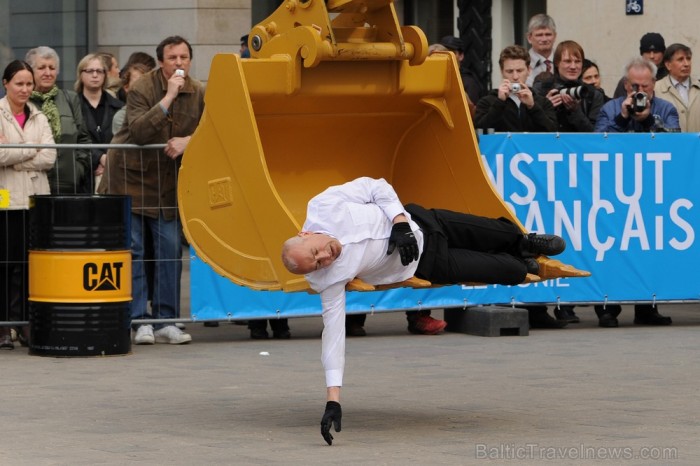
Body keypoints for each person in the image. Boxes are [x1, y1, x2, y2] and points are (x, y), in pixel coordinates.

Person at [280, 177, 566, 445]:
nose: (325, 258)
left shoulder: (323, 205)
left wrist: (400, 222)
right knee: (512, 270)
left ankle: (525, 243)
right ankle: (519, 261)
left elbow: (375, 186)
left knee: (495, 231)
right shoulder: (326, 279)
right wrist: (333, 399)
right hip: (427, 260)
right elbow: (333, 333)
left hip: (423, 221)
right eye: (317, 264)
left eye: (316, 252)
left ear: (305, 233)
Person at [98, 36, 205, 345]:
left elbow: (213, 128)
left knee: (169, 251)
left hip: (167, 184)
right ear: (161, 62)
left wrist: (190, 141)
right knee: (135, 250)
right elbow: (142, 132)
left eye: (184, 57)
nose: (179, 63)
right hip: (130, 177)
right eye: (172, 57)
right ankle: (139, 320)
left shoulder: (199, 91)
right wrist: (169, 96)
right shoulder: (143, 87)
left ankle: (165, 319)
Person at [595, 56, 679, 327]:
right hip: (612, 190)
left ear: (654, 84)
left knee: (649, 249)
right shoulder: (610, 108)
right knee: (610, 248)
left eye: (644, 86)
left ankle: (647, 308)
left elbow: (675, 143)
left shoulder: (666, 109)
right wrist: (623, 117)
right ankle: (608, 307)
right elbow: (597, 143)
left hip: (652, 191)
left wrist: (647, 121)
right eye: (634, 87)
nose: (639, 92)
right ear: (625, 84)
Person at [0, 60, 57, 349]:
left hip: (33, 200)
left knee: (26, 265)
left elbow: (49, 157)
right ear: (6, 84)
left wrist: (14, 153)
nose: (24, 89)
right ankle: (2, 325)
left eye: (28, 84)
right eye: (18, 83)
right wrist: (30, 150)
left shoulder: (39, 116)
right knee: (3, 264)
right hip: (4, 201)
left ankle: (22, 323)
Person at [25, 46, 92, 194]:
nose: (48, 73)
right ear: (30, 71)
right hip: (32, 184)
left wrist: (78, 169)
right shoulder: (23, 101)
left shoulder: (70, 98)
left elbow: (83, 139)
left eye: (52, 68)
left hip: (67, 184)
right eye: (41, 67)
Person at [474, 44, 557, 132]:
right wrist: (499, 103)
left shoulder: (543, 102)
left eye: (519, 71)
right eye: (509, 71)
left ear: (529, 70)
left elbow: (552, 133)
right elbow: (480, 132)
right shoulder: (487, 102)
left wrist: (532, 107)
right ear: (502, 72)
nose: (515, 76)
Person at [75, 53, 123, 193]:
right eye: (89, 71)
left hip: (114, 175)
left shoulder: (118, 106)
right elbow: (75, 138)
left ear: (105, 75)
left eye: (99, 71)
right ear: (81, 75)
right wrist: (99, 158)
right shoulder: (72, 106)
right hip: (83, 175)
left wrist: (108, 161)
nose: (95, 75)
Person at [533, 40, 605, 133]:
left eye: (578, 61)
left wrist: (575, 111)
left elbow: (594, 135)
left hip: (579, 146)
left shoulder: (593, 94)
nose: (573, 66)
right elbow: (531, 128)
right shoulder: (541, 88)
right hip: (549, 146)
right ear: (556, 63)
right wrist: (546, 107)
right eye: (567, 61)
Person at [654, 43, 700, 132]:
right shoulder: (656, 89)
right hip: (671, 144)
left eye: (688, 59)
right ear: (668, 65)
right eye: (680, 60)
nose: (686, 64)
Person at [613, 32, 668, 98]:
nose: (652, 56)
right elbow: (618, 103)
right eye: (647, 52)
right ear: (642, 54)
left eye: (656, 52)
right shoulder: (629, 80)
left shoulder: (670, 76)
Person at [438, 35, 483, 106]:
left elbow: (471, 112)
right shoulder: (435, 77)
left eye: (452, 52)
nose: (447, 56)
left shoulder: (469, 82)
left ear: (461, 56)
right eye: (443, 52)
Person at [112, 62, 154, 133]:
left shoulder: (159, 110)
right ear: (126, 87)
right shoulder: (120, 117)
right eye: (138, 82)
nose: (143, 87)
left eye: (146, 82)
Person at [524, 14, 557, 87]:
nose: (544, 39)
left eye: (548, 34)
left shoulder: (563, 60)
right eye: (539, 35)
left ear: (554, 36)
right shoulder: (523, 64)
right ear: (529, 38)